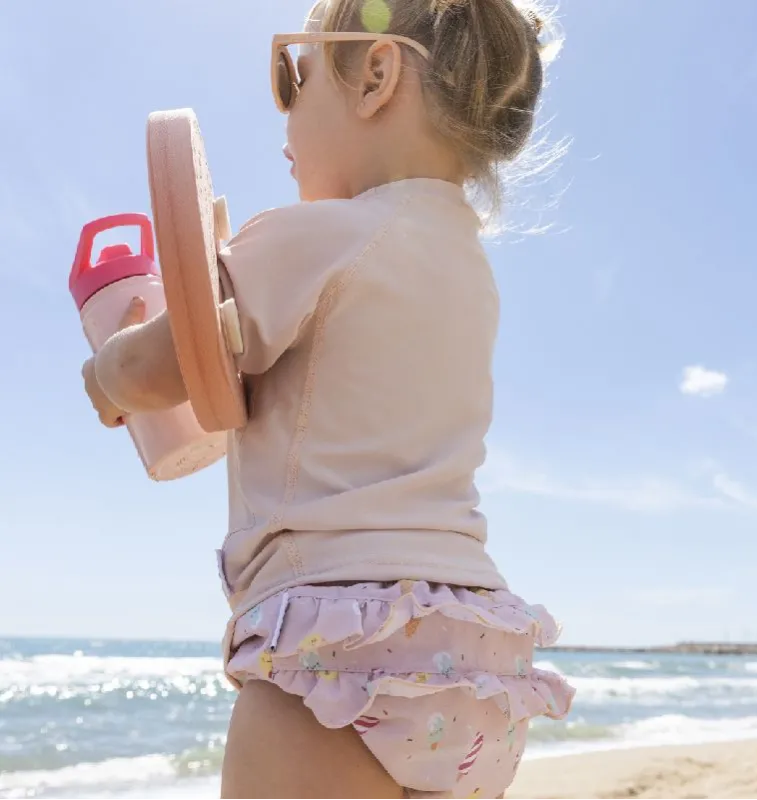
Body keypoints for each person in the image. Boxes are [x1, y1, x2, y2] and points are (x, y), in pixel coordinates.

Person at [81, 0, 575, 797]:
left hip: (338, 640)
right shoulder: (467, 272)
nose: (283, 108)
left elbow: (155, 368)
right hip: (476, 650)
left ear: (376, 76)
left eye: (295, 76)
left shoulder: (318, 234)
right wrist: (221, 272)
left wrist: (106, 372)